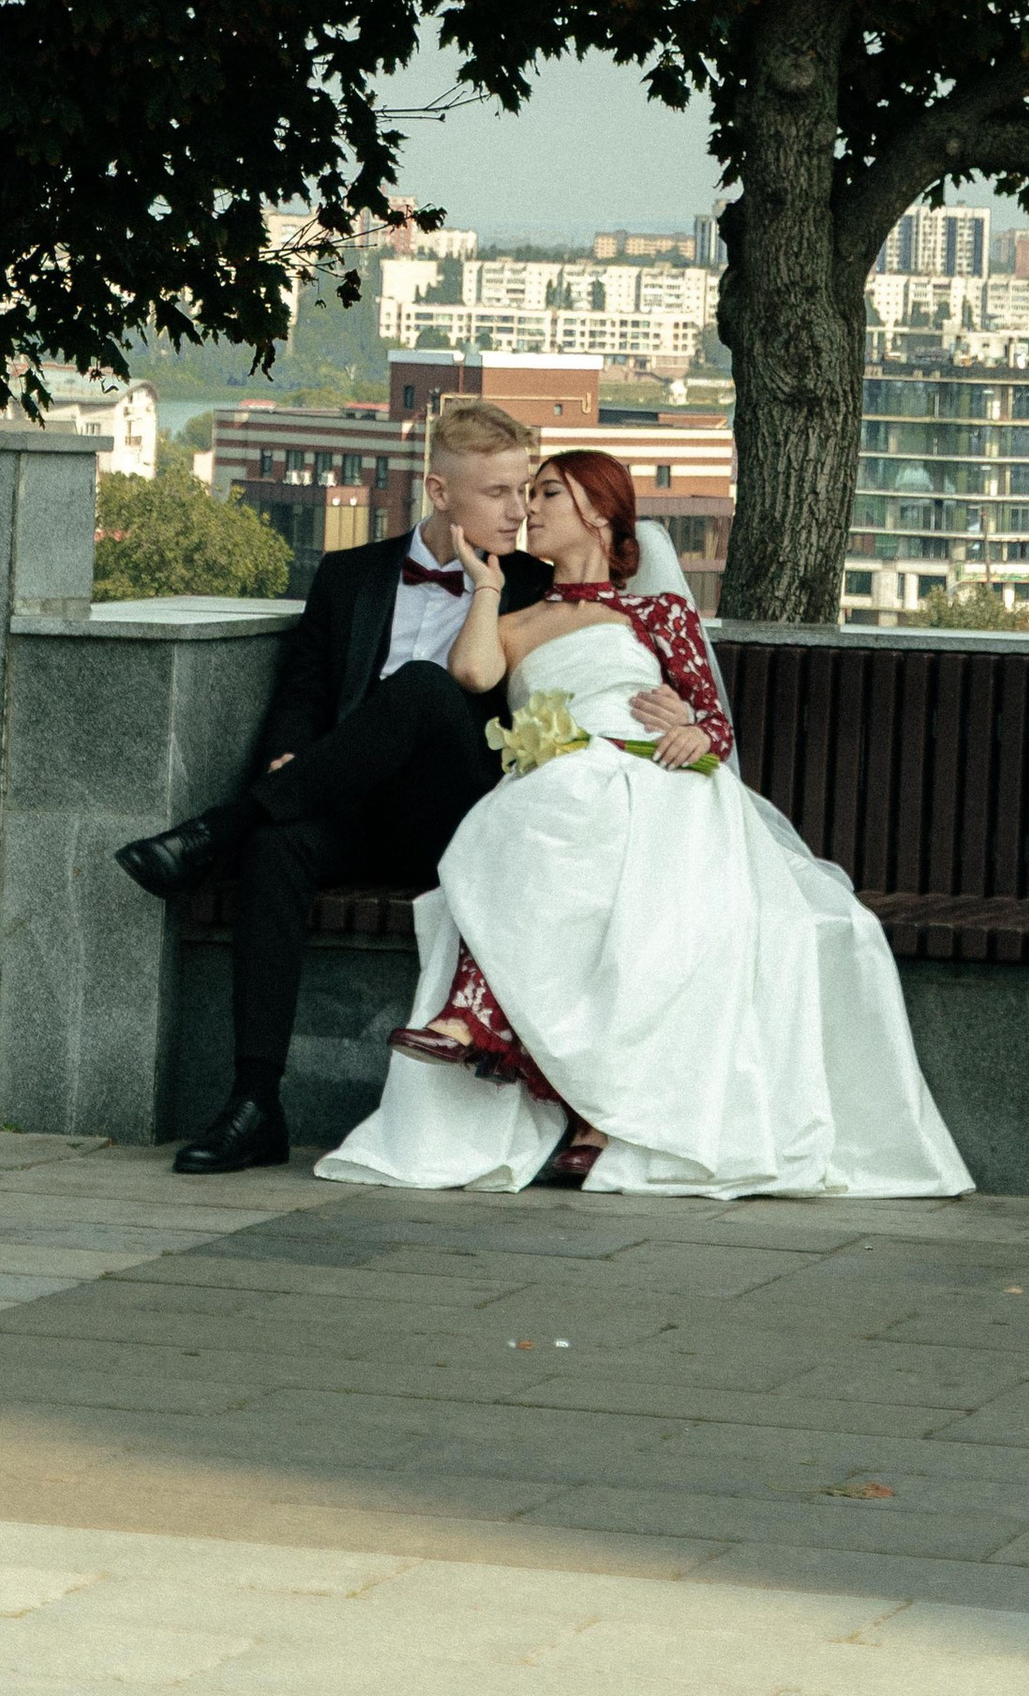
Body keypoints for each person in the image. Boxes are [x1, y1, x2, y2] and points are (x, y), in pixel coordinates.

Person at [316, 448, 972, 1200]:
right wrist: (488, 589)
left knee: (592, 841)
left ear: (598, 511)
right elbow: (471, 676)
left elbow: (711, 719)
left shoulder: (656, 612)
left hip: (655, 776)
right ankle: (541, 1074)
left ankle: (523, 1056)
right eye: (527, 494)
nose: (530, 507)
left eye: (548, 493)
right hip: (561, 775)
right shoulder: (517, 619)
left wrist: (696, 729)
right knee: (542, 815)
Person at [113, 401, 698, 1174]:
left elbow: (619, 649)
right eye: (497, 493)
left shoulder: (535, 587)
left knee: (424, 686)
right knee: (278, 848)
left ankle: (212, 833)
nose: (520, 511)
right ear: (438, 491)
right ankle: (254, 1104)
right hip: (350, 805)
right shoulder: (350, 575)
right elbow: (304, 690)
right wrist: (289, 755)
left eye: (527, 491)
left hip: (462, 818)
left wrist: (682, 709)